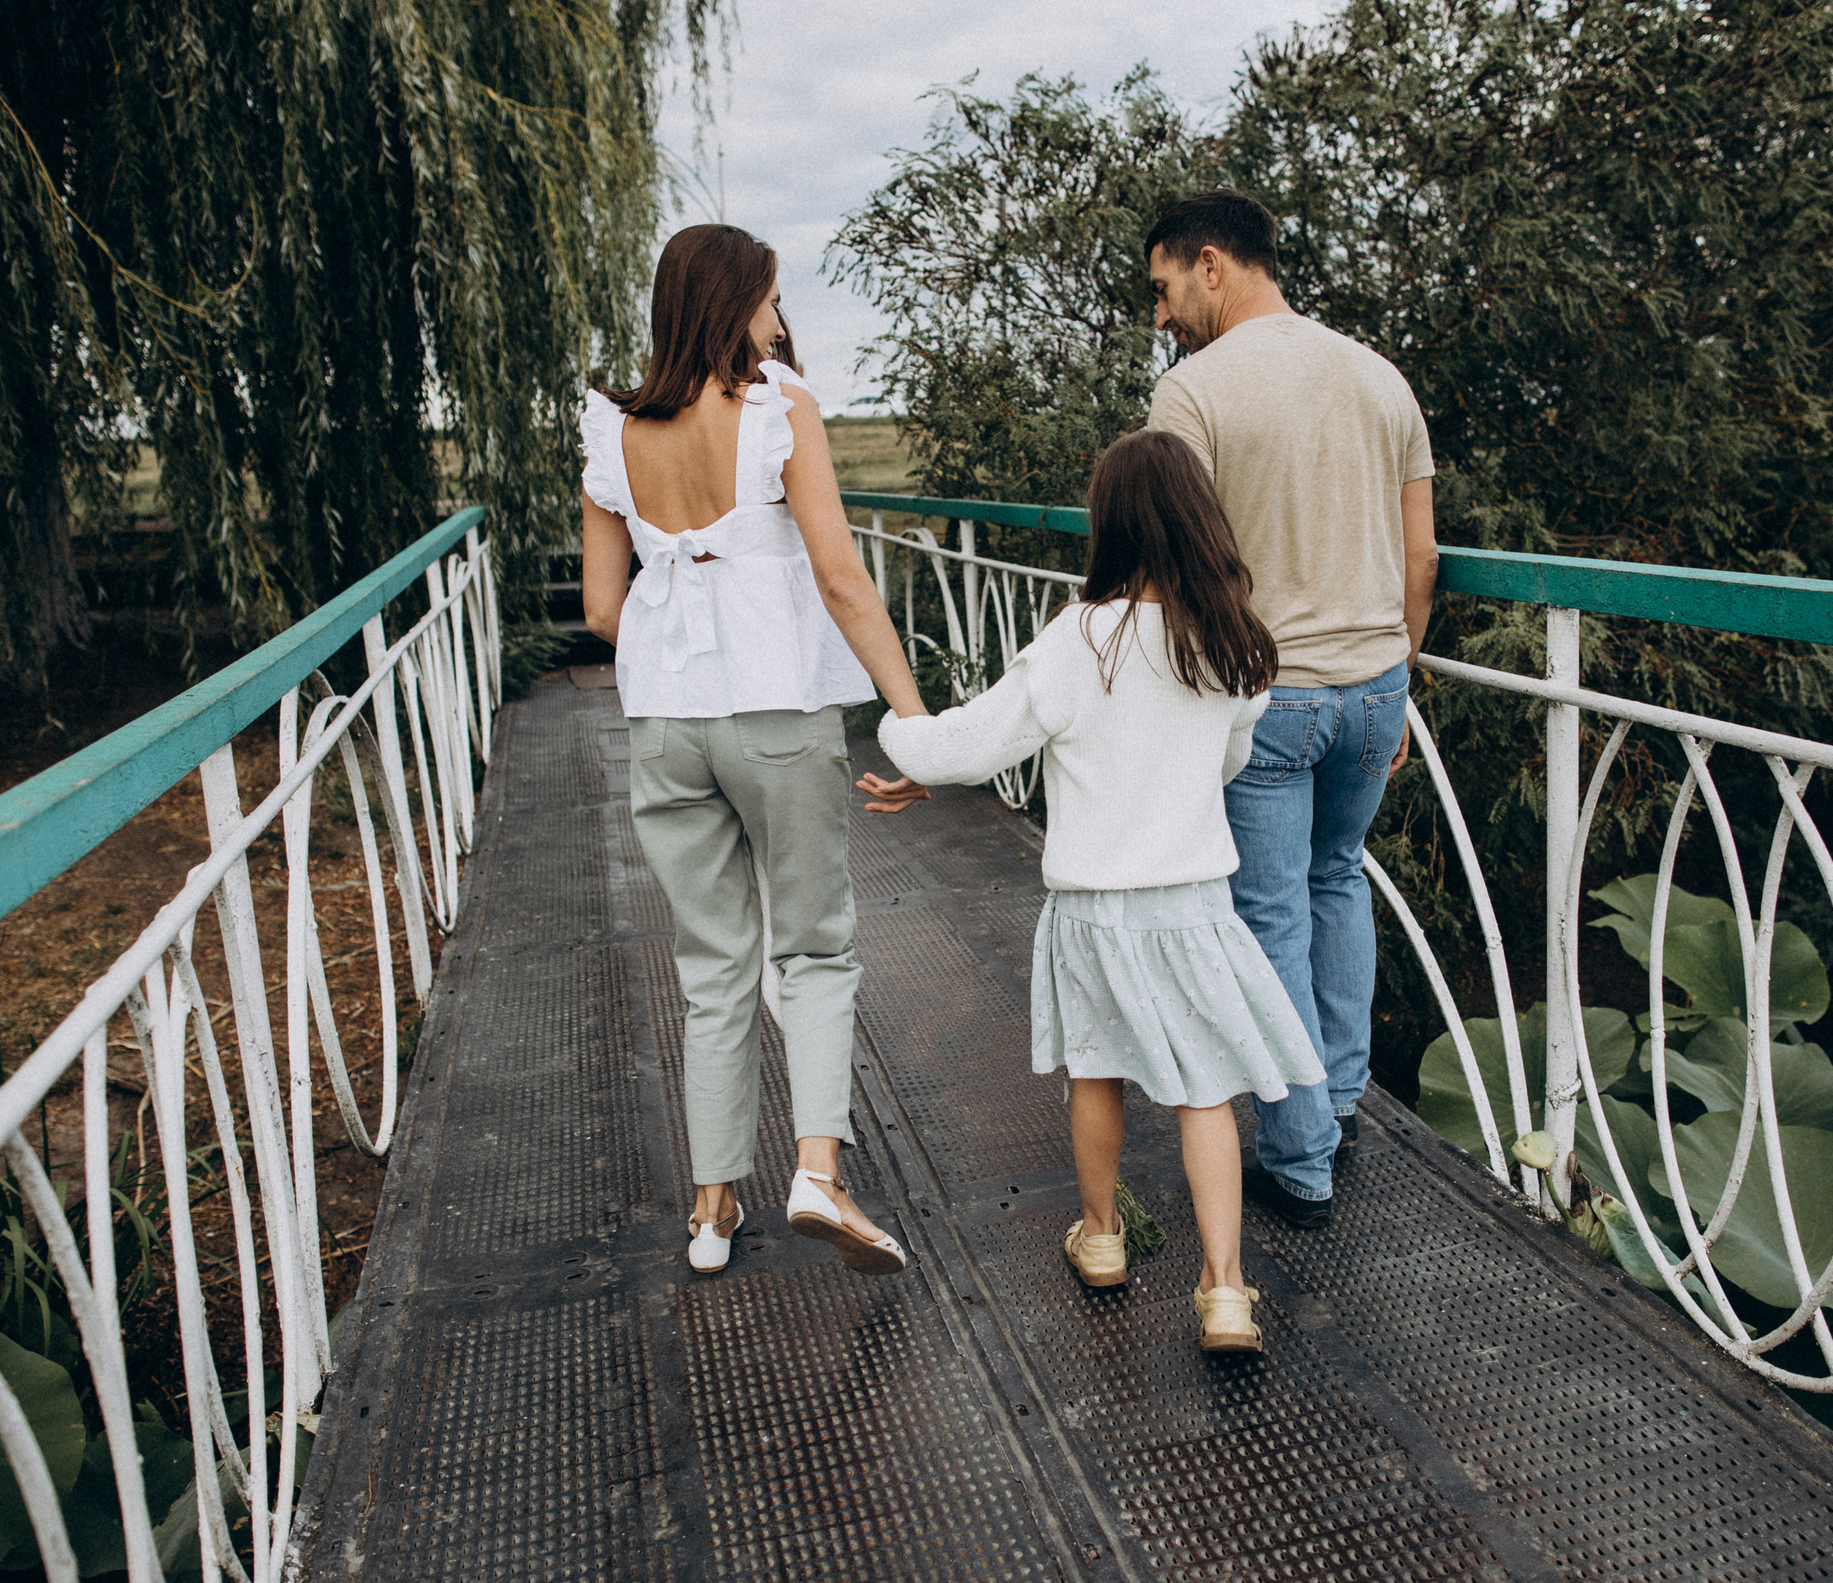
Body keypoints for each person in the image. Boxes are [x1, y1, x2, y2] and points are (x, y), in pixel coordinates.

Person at [864, 431, 1323, 1354]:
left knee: (1096, 1067)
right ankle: (1226, 1289)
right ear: (1200, 518)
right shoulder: (1229, 643)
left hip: (1096, 912)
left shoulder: (1077, 640)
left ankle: (1104, 1237)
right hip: (1194, 905)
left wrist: (900, 743)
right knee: (1208, 1092)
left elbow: (974, 742)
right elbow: (1229, 754)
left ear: (1109, 524)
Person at [580, 224, 932, 1279]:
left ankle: (710, 1207)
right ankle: (817, 1171)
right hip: (775, 713)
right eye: (771, 301)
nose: (779, 324)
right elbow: (838, 576)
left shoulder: (612, 432)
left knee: (711, 966)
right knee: (815, 946)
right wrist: (907, 719)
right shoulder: (778, 406)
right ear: (737, 303)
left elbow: (604, 609)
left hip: (666, 724)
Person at [1142, 189, 1438, 1231]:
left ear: (1211, 264)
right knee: (1335, 882)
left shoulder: (1192, 396)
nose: (1163, 316)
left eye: (1165, 288)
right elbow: (1421, 556)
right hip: (1373, 687)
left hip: (1266, 697)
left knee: (1266, 916)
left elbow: (1179, 569)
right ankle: (1342, 1101)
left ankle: (1301, 1158)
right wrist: (1399, 671)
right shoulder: (1379, 376)